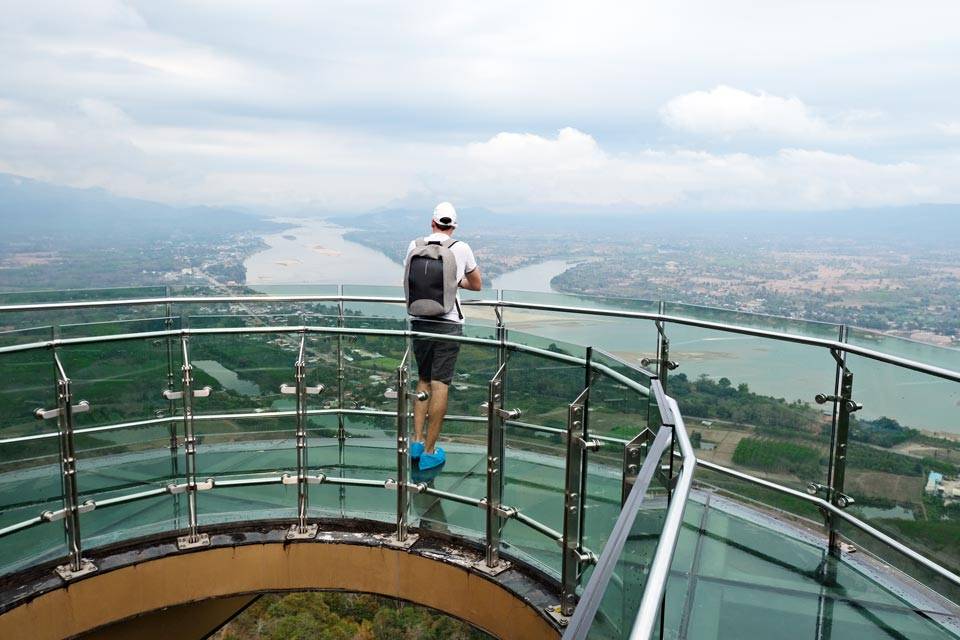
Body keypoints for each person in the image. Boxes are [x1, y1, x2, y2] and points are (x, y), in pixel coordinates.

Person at [404, 202, 482, 470]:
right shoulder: (460, 248)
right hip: (448, 323)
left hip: (419, 320)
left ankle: (415, 442)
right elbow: (477, 284)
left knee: (423, 380)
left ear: (432, 223)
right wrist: (455, 280)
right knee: (441, 384)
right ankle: (429, 451)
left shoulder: (414, 245)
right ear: (453, 226)